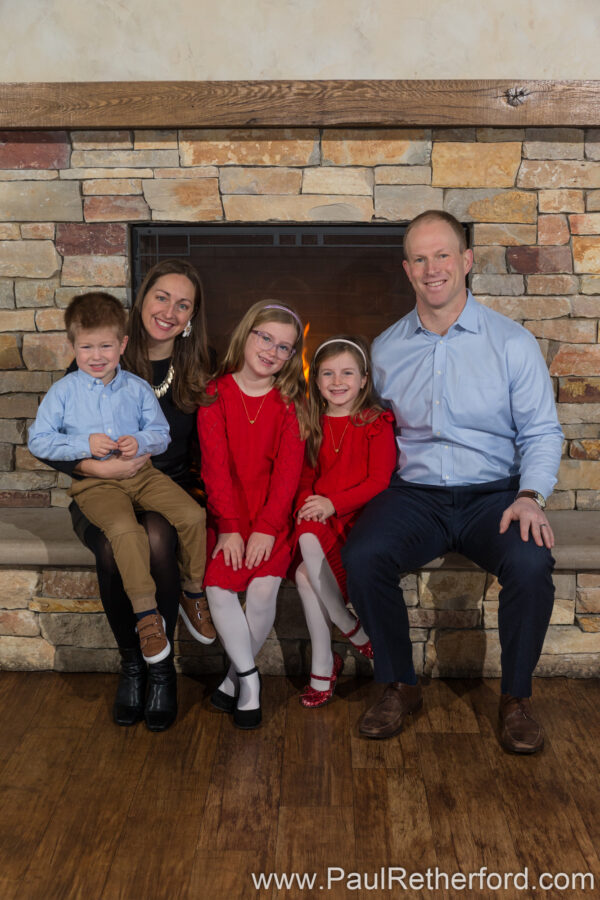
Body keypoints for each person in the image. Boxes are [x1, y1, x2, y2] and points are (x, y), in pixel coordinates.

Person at [342, 210, 563, 754]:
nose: (431, 268)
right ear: (406, 269)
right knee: (364, 555)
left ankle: (515, 699)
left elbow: (541, 430)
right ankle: (399, 684)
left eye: (443, 255)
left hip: (495, 495)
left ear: (466, 262)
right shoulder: (386, 349)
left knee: (532, 562)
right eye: (419, 258)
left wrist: (532, 497)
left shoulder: (511, 343)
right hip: (415, 496)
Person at [34, 259, 216, 732]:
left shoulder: (198, 365)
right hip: (96, 483)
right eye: (162, 297)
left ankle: (162, 673)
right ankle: (133, 665)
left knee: (156, 536)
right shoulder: (95, 359)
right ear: (141, 303)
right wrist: (90, 463)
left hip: (160, 483)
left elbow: (207, 446)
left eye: (183, 304)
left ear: (192, 316)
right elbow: (52, 440)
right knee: (120, 543)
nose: (170, 311)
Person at [197, 301, 306, 729]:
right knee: (220, 590)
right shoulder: (214, 394)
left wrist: (265, 529)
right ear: (246, 334)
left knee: (263, 592)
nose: (273, 352)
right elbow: (214, 467)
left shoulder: (291, 403)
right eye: (266, 338)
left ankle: (231, 679)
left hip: (272, 517)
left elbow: (288, 475)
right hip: (226, 515)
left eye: (285, 347)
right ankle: (249, 677)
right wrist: (229, 528)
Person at [293, 336, 397, 708]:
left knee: (304, 576)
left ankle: (326, 664)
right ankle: (349, 629)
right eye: (328, 374)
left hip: (357, 518)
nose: (338, 381)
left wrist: (332, 503)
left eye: (347, 373)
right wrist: (310, 502)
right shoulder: (313, 424)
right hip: (319, 516)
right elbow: (305, 477)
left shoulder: (375, 422)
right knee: (305, 535)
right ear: (316, 381)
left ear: (364, 379)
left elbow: (378, 481)